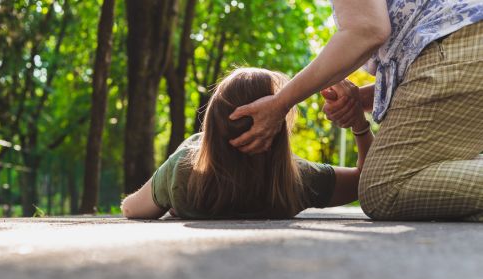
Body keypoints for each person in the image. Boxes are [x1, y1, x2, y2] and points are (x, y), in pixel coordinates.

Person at [227, 1, 483, 221]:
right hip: (467, 44)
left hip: (462, 47)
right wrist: (360, 102)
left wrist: (281, 103)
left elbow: (366, 30)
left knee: (383, 190)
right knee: (438, 179)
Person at [121, 68, 373, 219]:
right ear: (277, 132)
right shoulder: (297, 180)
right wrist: (359, 126)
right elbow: (367, 181)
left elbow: (131, 209)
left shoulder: (183, 171)